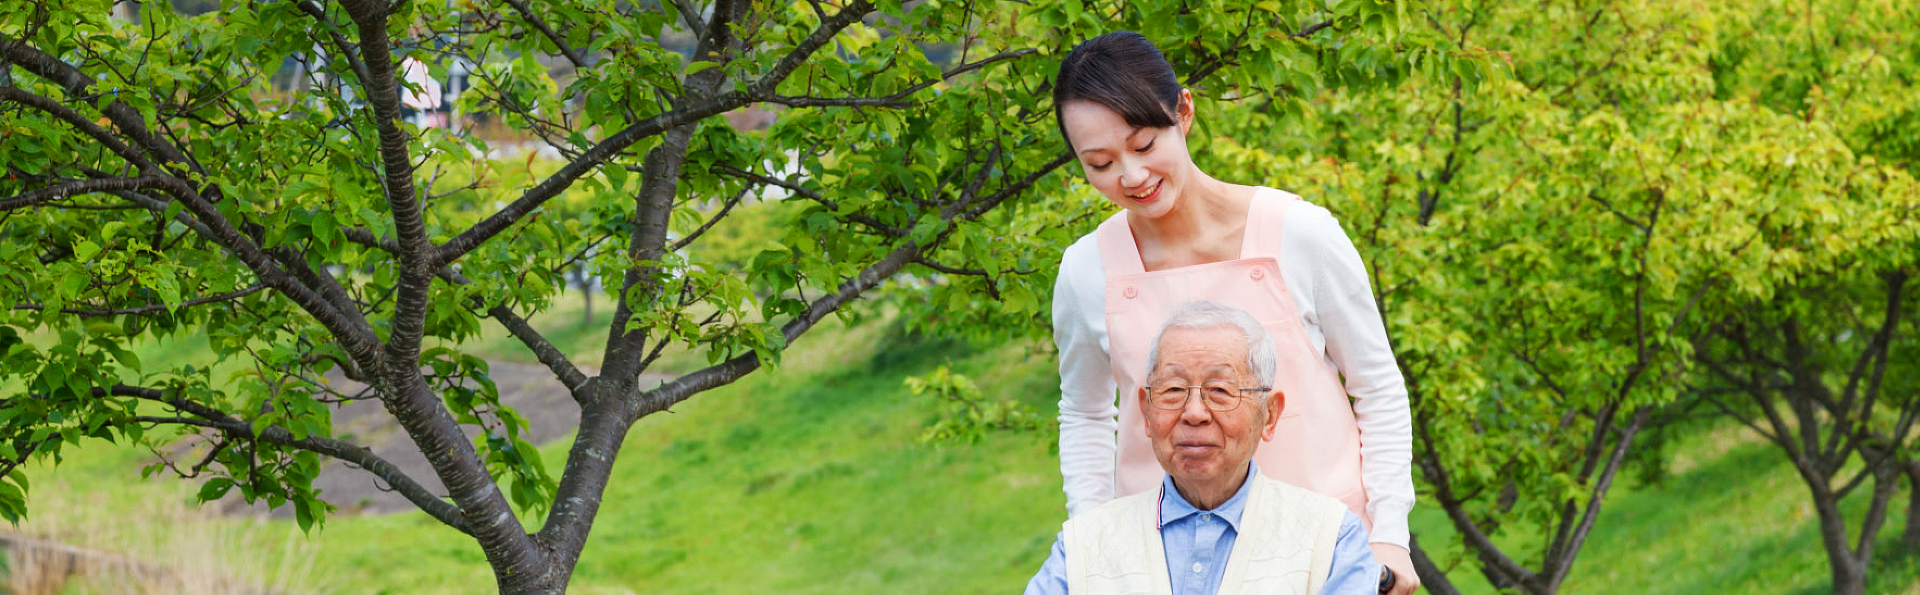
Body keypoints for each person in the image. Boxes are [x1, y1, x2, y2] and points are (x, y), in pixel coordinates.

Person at [1049, 31, 1419, 593]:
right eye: (1100, 163)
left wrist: (1389, 533)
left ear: (1185, 112)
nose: (1131, 177)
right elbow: (1085, 414)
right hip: (1160, 563)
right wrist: (1091, 537)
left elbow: (1378, 387)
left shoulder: (1301, 234)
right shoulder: (1086, 270)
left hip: (1324, 554)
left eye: (1145, 145)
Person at [1025, 301, 1380, 594]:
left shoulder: (1330, 538)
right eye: (1173, 391)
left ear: (1269, 416)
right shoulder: (1085, 545)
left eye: (1221, 391)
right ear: (1147, 413)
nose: (1194, 413)